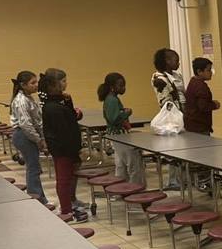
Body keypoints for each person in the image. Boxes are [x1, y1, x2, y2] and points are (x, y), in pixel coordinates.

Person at [42, 69, 87, 222]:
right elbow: (65, 129)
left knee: (68, 178)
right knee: (63, 179)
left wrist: (69, 103)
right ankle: (66, 210)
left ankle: (70, 203)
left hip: (67, 149)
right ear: (54, 85)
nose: (66, 83)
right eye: (63, 81)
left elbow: (71, 117)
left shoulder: (59, 102)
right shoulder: (52, 107)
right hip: (63, 150)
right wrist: (72, 150)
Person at [98, 72, 144, 186]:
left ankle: (120, 189)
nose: (123, 88)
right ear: (112, 87)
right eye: (120, 85)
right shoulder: (112, 100)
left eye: (124, 85)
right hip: (119, 135)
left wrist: (123, 111)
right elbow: (114, 119)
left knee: (121, 164)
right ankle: (135, 189)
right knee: (133, 164)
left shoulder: (111, 99)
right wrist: (126, 113)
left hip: (116, 135)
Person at [10, 70, 47, 202]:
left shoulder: (29, 98)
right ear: (23, 85)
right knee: (33, 168)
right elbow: (26, 124)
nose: (36, 85)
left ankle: (40, 197)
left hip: (27, 135)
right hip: (24, 135)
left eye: (36, 82)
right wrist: (39, 140)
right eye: (33, 83)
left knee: (34, 167)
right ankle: (37, 198)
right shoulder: (21, 100)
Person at [151, 48, 186, 190]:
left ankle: (182, 178)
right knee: (174, 149)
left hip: (183, 113)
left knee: (183, 148)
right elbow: (166, 100)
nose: (178, 62)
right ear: (166, 62)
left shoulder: (177, 75)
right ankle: (173, 180)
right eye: (175, 60)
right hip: (171, 116)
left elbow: (182, 92)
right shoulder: (158, 78)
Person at [184, 57, 220, 135]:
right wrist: (214, 105)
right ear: (199, 71)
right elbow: (203, 106)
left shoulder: (193, 82)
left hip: (190, 125)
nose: (211, 73)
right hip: (199, 127)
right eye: (208, 70)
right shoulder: (201, 87)